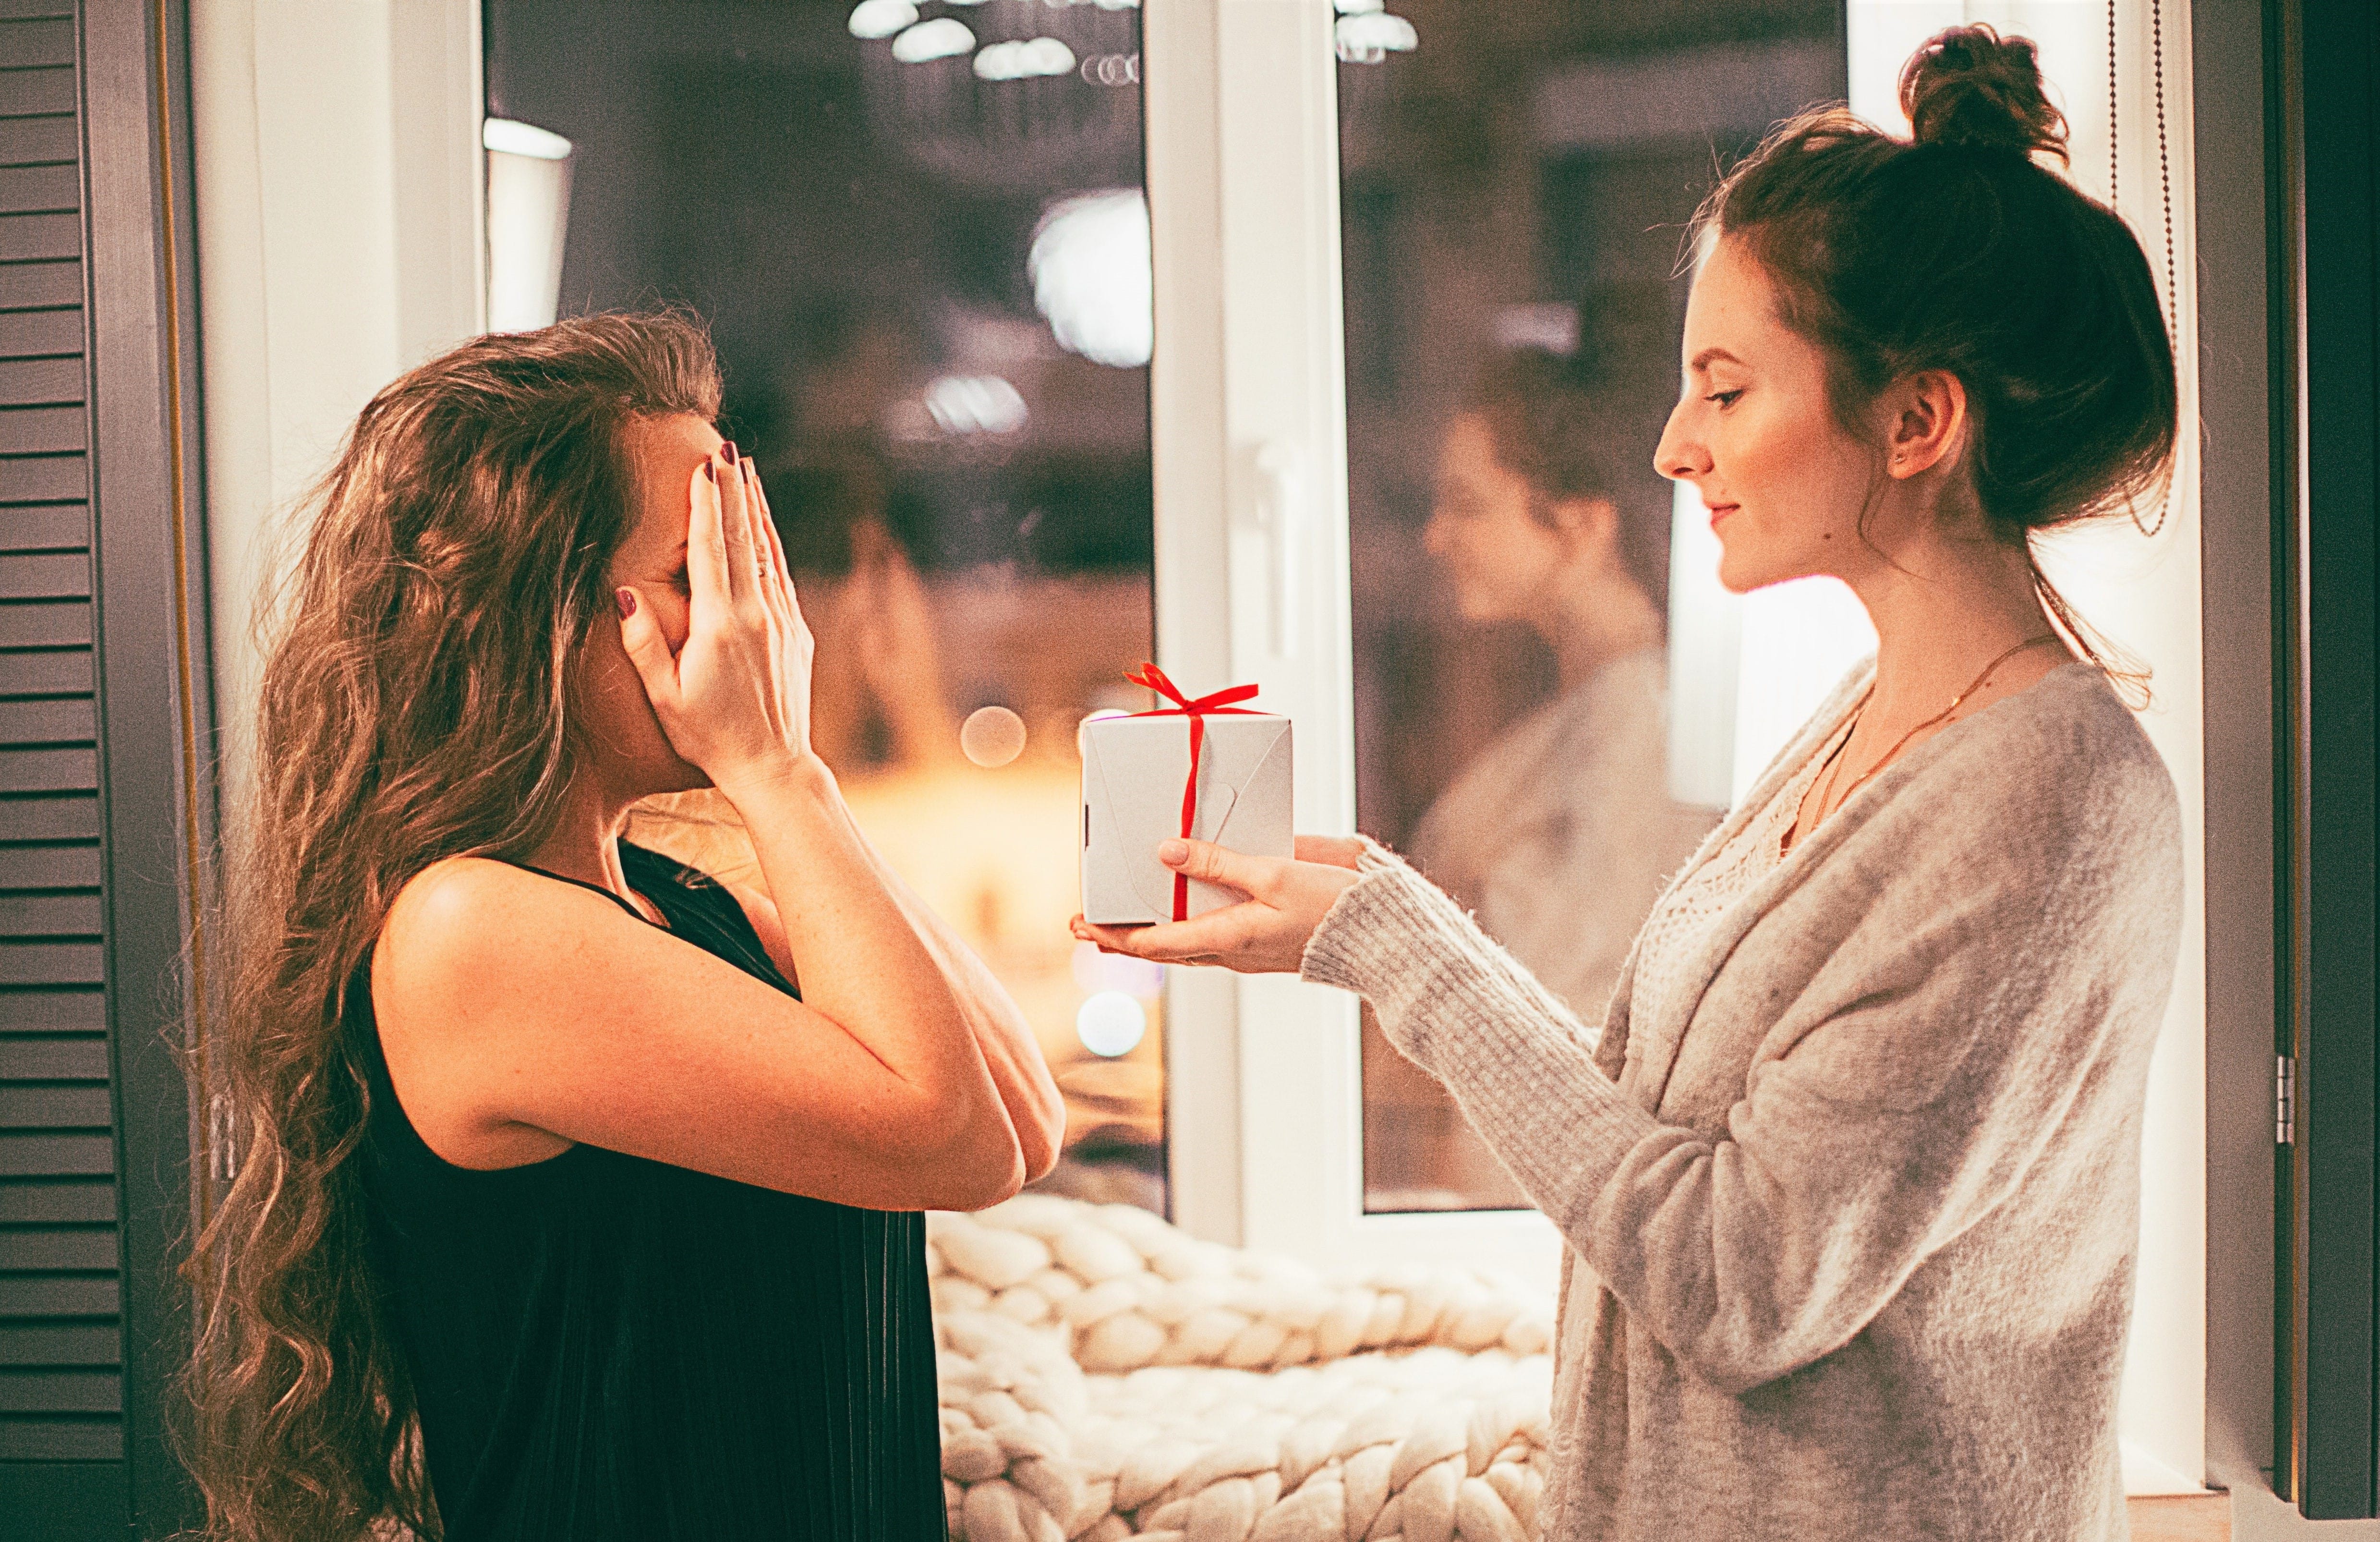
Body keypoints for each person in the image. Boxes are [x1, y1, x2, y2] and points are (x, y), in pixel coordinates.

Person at [1076, 27, 2181, 1542]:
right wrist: (1361, 921)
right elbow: (1649, 1125)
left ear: (1915, 422)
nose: (1671, 445)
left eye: (1723, 391)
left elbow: (1734, 1278)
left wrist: (1401, 951)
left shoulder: (2051, 802)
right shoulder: (1869, 719)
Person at [183, 313, 1063, 1542]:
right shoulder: (469, 931)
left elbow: (1019, 1121)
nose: (758, 624)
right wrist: (780, 771)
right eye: (705, 575)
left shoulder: (682, 898)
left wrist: (791, 770)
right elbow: (951, 1139)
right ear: (540, 607)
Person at [1409, 349, 1712, 1015]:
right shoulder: (1594, 706)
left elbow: (1585, 985)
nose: (1437, 536)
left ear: (1580, 524)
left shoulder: (1641, 720)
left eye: (1467, 504)